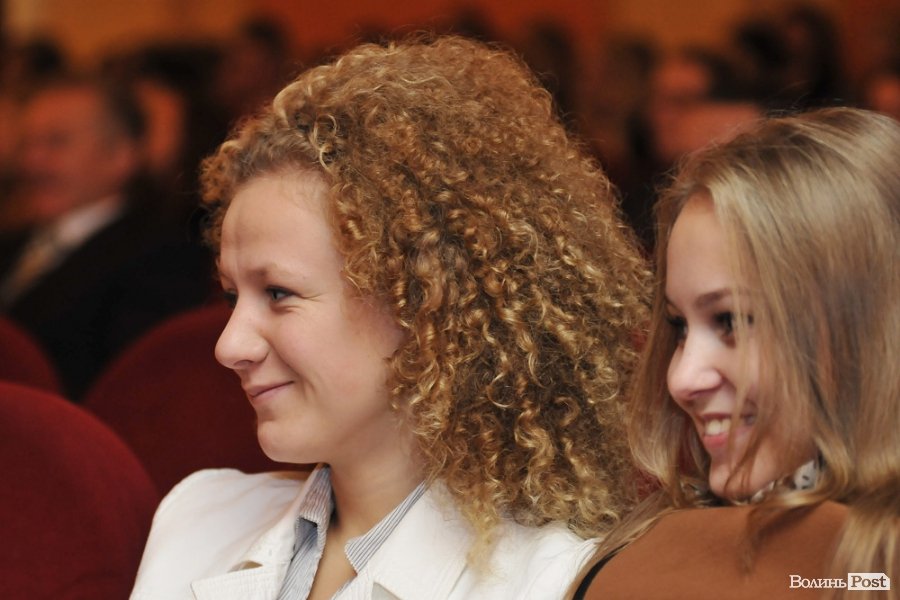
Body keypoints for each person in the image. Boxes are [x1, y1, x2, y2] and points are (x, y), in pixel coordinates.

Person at [131, 35, 650, 600]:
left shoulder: (555, 579)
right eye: (233, 297)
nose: (229, 347)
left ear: (424, 301)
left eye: (279, 293)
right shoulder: (196, 520)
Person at [571, 107, 899, 599]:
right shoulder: (650, 554)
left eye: (730, 321)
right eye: (679, 327)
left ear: (864, 324)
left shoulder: (868, 569)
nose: (682, 378)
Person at [0, 73, 213, 399]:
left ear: (120, 155)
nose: (32, 161)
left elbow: (134, 386)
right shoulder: (13, 242)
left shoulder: (161, 257)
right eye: (27, 144)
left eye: (56, 142)